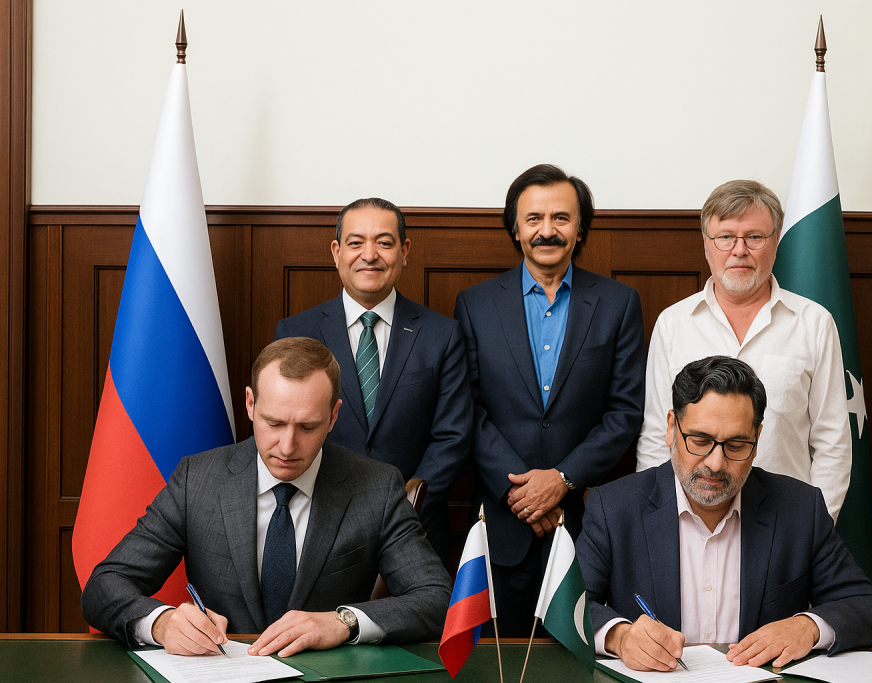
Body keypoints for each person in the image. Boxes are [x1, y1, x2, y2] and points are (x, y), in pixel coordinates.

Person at [81, 337, 452, 656]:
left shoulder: (377, 487)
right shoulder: (198, 479)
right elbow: (104, 585)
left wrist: (343, 621)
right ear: (250, 404)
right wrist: (160, 623)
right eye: (274, 423)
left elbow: (436, 599)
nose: (287, 446)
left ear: (334, 416)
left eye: (307, 426)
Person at [578, 356, 872, 672]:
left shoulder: (799, 509)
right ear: (672, 428)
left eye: (737, 445)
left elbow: (869, 606)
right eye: (700, 441)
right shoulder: (613, 507)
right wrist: (620, 636)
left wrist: (807, 627)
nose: (715, 463)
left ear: (756, 442)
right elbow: (571, 607)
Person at [453, 164, 646, 636]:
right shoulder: (474, 304)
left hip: (584, 523)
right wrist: (524, 495)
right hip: (503, 523)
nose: (547, 230)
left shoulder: (618, 303)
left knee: (581, 654)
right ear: (514, 228)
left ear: (580, 229)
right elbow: (467, 411)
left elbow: (624, 412)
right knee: (501, 662)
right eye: (533, 218)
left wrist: (561, 481)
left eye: (561, 218)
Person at [635, 180, 851, 522]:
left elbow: (833, 444)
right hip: (689, 519)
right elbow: (655, 437)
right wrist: (657, 521)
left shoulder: (815, 323)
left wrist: (813, 529)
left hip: (785, 522)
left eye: (754, 237)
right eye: (725, 237)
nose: (739, 250)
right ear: (706, 244)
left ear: (775, 242)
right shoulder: (673, 323)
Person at [275, 197, 471, 562]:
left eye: (384, 242)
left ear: (404, 250)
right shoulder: (295, 332)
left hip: (414, 527)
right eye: (355, 242)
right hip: (318, 523)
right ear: (336, 252)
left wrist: (406, 501)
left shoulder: (441, 334)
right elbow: (285, 429)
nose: (370, 254)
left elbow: (453, 435)